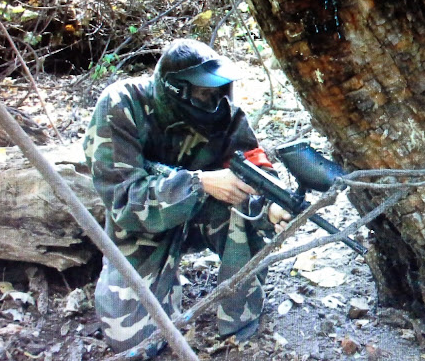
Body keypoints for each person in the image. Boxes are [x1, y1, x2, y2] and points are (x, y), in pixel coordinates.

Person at [83, 39, 290, 356]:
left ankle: (238, 316)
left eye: (218, 91)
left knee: (247, 204)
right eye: (204, 93)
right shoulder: (122, 105)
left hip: (201, 215)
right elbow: (125, 203)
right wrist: (200, 183)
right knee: (129, 338)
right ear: (175, 89)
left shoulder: (224, 114)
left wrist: (274, 202)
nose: (215, 100)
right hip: (143, 224)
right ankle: (163, 288)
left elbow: (254, 164)